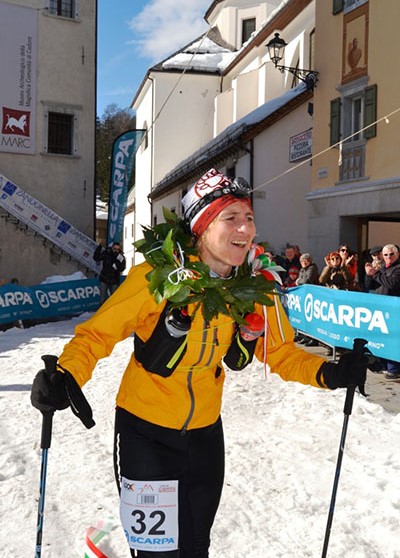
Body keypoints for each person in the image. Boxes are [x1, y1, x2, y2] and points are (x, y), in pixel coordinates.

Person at [30, 168, 367, 558]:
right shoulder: (157, 278)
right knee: (158, 554)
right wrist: (65, 374)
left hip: (206, 437)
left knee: (195, 548)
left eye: (249, 217)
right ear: (201, 228)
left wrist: (330, 372)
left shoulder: (256, 286)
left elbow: (280, 352)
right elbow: (97, 335)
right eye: (231, 217)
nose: (245, 228)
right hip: (146, 435)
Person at [365, 243, 400, 379]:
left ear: (397, 254)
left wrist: (375, 274)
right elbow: (369, 285)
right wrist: (369, 274)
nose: (388, 257)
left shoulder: (397, 268)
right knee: (381, 338)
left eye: (391, 254)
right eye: (386, 255)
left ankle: (394, 368)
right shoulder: (382, 268)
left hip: (393, 311)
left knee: (392, 339)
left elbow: (392, 283)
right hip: (380, 309)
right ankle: (383, 364)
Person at [294, 253, 319, 346]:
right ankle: (305, 336)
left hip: (312, 296)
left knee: (311, 318)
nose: (304, 263)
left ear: (309, 261)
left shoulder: (312, 268)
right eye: (302, 261)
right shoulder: (302, 270)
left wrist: (298, 281)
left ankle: (313, 338)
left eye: (306, 261)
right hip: (304, 296)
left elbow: (307, 280)